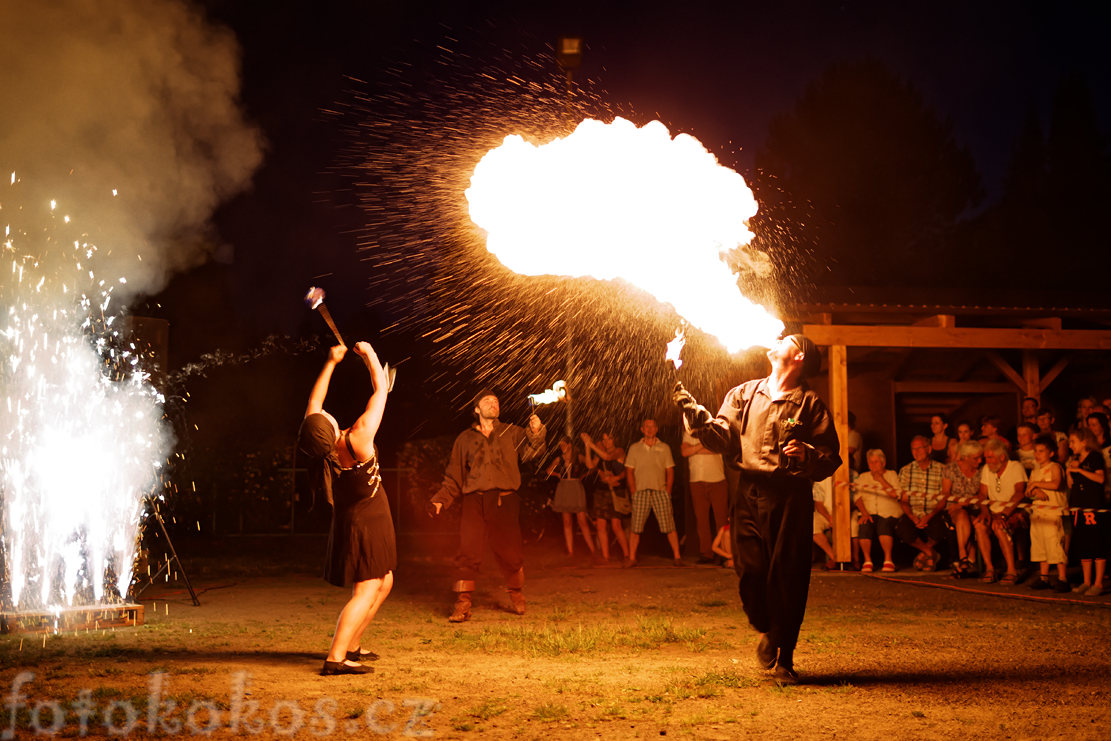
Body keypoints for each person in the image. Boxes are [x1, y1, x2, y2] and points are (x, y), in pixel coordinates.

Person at [674, 333, 841, 682]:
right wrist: (697, 416)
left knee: (788, 574)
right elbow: (722, 439)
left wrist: (807, 454)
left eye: (788, 340)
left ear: (799, 358)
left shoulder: (810, 404)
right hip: (749, 492)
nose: (778, 339)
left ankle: (786, 659)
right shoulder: (743, 393)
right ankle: (768, 628)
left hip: (790, 496)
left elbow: (830, 456)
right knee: (751, 570)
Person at [296, 342, 394, 676]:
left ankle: (352, 645)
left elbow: (313, 405)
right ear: (330, 428)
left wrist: (331, 361)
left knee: (385, 582)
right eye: (324, 417)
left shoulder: (320, 450)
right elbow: (381, 389)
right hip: (366, 520)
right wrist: (369, 354)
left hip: (358, 518)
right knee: (367, 589)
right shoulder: (359, 438)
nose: (323, 411)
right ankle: (336, 658)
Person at [428, 390, 546, 622]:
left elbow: (532, 452)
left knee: (510, 553)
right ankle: (463, 603)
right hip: (475, 501)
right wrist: (440, 500)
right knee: (467, 551)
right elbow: (454, 476)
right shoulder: (464, 439)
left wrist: (535, 432)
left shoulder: (512, 432)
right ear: (477, 409)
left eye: (496, 401)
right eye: (487, 402)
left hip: (505, 500)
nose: (493, 404)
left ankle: (516, 593)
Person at [625, 418, 683, 567]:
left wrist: (668, 490)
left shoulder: (664, 447)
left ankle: (677, 557)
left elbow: (670, 470)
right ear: (642, 429)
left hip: (659, 491)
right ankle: (631, 558)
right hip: (641, 491)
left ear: (656, 429)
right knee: (636, 527)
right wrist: (633, 490)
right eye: (646, 427)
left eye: (652, 427)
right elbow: (629, 471)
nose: (649, 429)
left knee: (669, 525)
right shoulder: (634, 448)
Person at [973, 438, 1028, 584]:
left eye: (990, 457)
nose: (987, 461)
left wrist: (1004, 514)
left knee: (999, 526)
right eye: (986, 458)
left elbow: (1019, 493)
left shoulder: (1016, 467)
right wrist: (984, 512)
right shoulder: (987, 469)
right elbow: (982, 494)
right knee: (979, 525)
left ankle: (1011, 570)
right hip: (993, 511)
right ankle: (990, 568)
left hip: (1013, 511)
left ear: (1002, 457)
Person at [896, 436, 948, 571]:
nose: (916, 452)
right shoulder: (906, 470)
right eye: (913, 449)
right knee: (902, 529)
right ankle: (930, 553)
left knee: (941, 529)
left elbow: (944, 498)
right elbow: (904, 499)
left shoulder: (942, 469)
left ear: (929, 449)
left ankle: (924, 554)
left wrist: (929, 516)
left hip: (934, 512)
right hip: (913, 512)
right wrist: (912, 517)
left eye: (919, 448)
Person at [1066, 428, 1107, 596]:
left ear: (1084, 442)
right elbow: (1070, 485)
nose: (1070, 445)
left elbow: (1100, 478)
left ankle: (1098, 583)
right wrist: (1069, 470)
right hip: (1078, 507)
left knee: (1096, 543)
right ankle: (1086, 581)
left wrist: (1080, 470)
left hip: (1093, 506)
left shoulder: (1095, 457)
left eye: (1073, 441)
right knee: (1083, 544)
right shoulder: (1075, 459)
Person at [1027, 435, 1069, 592]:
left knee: (1055, 544)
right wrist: (1035, 491)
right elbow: (1028, 491)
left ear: (1051, 453)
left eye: (1041, 451)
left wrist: (1037, 484)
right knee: (1040, 545)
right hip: (1038, 512)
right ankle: (1044, 577)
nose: (1037, 454)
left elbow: (1056, 483)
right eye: (1035, 451)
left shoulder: (1055, 467)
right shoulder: (1035, 471)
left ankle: (1062, 578)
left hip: (1053, 513)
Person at [581, 431, 631, 564]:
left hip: (615, 492)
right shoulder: (600, 453)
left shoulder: (619, 451)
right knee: (601, 526)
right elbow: (590, 465)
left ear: (614, 439)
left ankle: (627, 555)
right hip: (602, 492)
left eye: (608, 439)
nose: (606, 442)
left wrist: (591, 444)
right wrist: (587, 446)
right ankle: (605, 556)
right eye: (604, 440)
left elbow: (608, 458)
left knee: (616, 525)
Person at [681, 427, 729, 564]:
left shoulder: (716, 432)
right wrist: (705, 444)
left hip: (717, 479)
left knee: (721, 519)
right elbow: (684, 452)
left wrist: (695, 448)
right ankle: (706, 553)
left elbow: (719, 449)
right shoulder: (688, 433)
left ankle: (724, 553)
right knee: (701, 519)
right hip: (696, 480)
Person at [546, 436, 597, 560]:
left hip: (575, 488)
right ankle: (570, 551)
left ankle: (593, 550)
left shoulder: (578, 457)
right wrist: (558, 474)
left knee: (582, 520)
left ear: (570, 445)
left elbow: (591, 467)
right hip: (564, 488)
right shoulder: (559, 459)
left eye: (564, 445)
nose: (562, 447)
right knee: (567, 521)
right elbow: (548, 471)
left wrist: (583, 475)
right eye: (561, 445)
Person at [854, 449, 903, 573]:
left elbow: (896, 494)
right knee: (864, 524)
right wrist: (864, 513)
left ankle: (888, 560)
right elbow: (857, 497)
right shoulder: (864, 477)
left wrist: (881, 480)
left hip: (888, 511)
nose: (873, 465)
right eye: (870, 462)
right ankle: (867, 560)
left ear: (883, 463)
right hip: (869, 512)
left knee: (884, 524)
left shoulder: (892, 474)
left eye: (876, 462)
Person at [942, 441, 984, 578]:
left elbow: (983, 494)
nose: (980, 460)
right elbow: (946, 493)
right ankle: (965, 555)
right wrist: (960, 504)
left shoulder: (983, 470)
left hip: (975, 506)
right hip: (955, 507)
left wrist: (965, 503)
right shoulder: (950, 469)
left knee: (966, 516)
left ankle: (962, 557)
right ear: (965, 457)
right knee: (961, 515)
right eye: (976, 458)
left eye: (980, 457)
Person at [811, 477, 837, 569]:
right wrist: (830, 518)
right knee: (813, 525)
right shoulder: (822, 478)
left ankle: (855, 560)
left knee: (853, 525)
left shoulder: (852, 475)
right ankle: (833, 557)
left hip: (846, 512)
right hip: (826, 512)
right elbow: (819, 504)